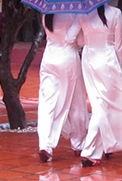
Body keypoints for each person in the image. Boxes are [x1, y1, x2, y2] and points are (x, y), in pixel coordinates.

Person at [76, 4, 122, 167]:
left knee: (98, 103)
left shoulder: (83, 13)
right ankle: (89, 151)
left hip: (89, 59)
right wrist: (119, 71)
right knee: (103, 105)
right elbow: (118, 45)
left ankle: (101, 145)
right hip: (107, 60)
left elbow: (80, 41)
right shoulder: (115, 13)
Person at [36, 13, 88, 162]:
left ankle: (45, 145)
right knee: (76, 102)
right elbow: (78, 41)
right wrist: (80, 24)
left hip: (49, 58)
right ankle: (79, 144)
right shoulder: (75, 13)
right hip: (68, 59)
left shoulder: (47, 12)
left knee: (46, 103)